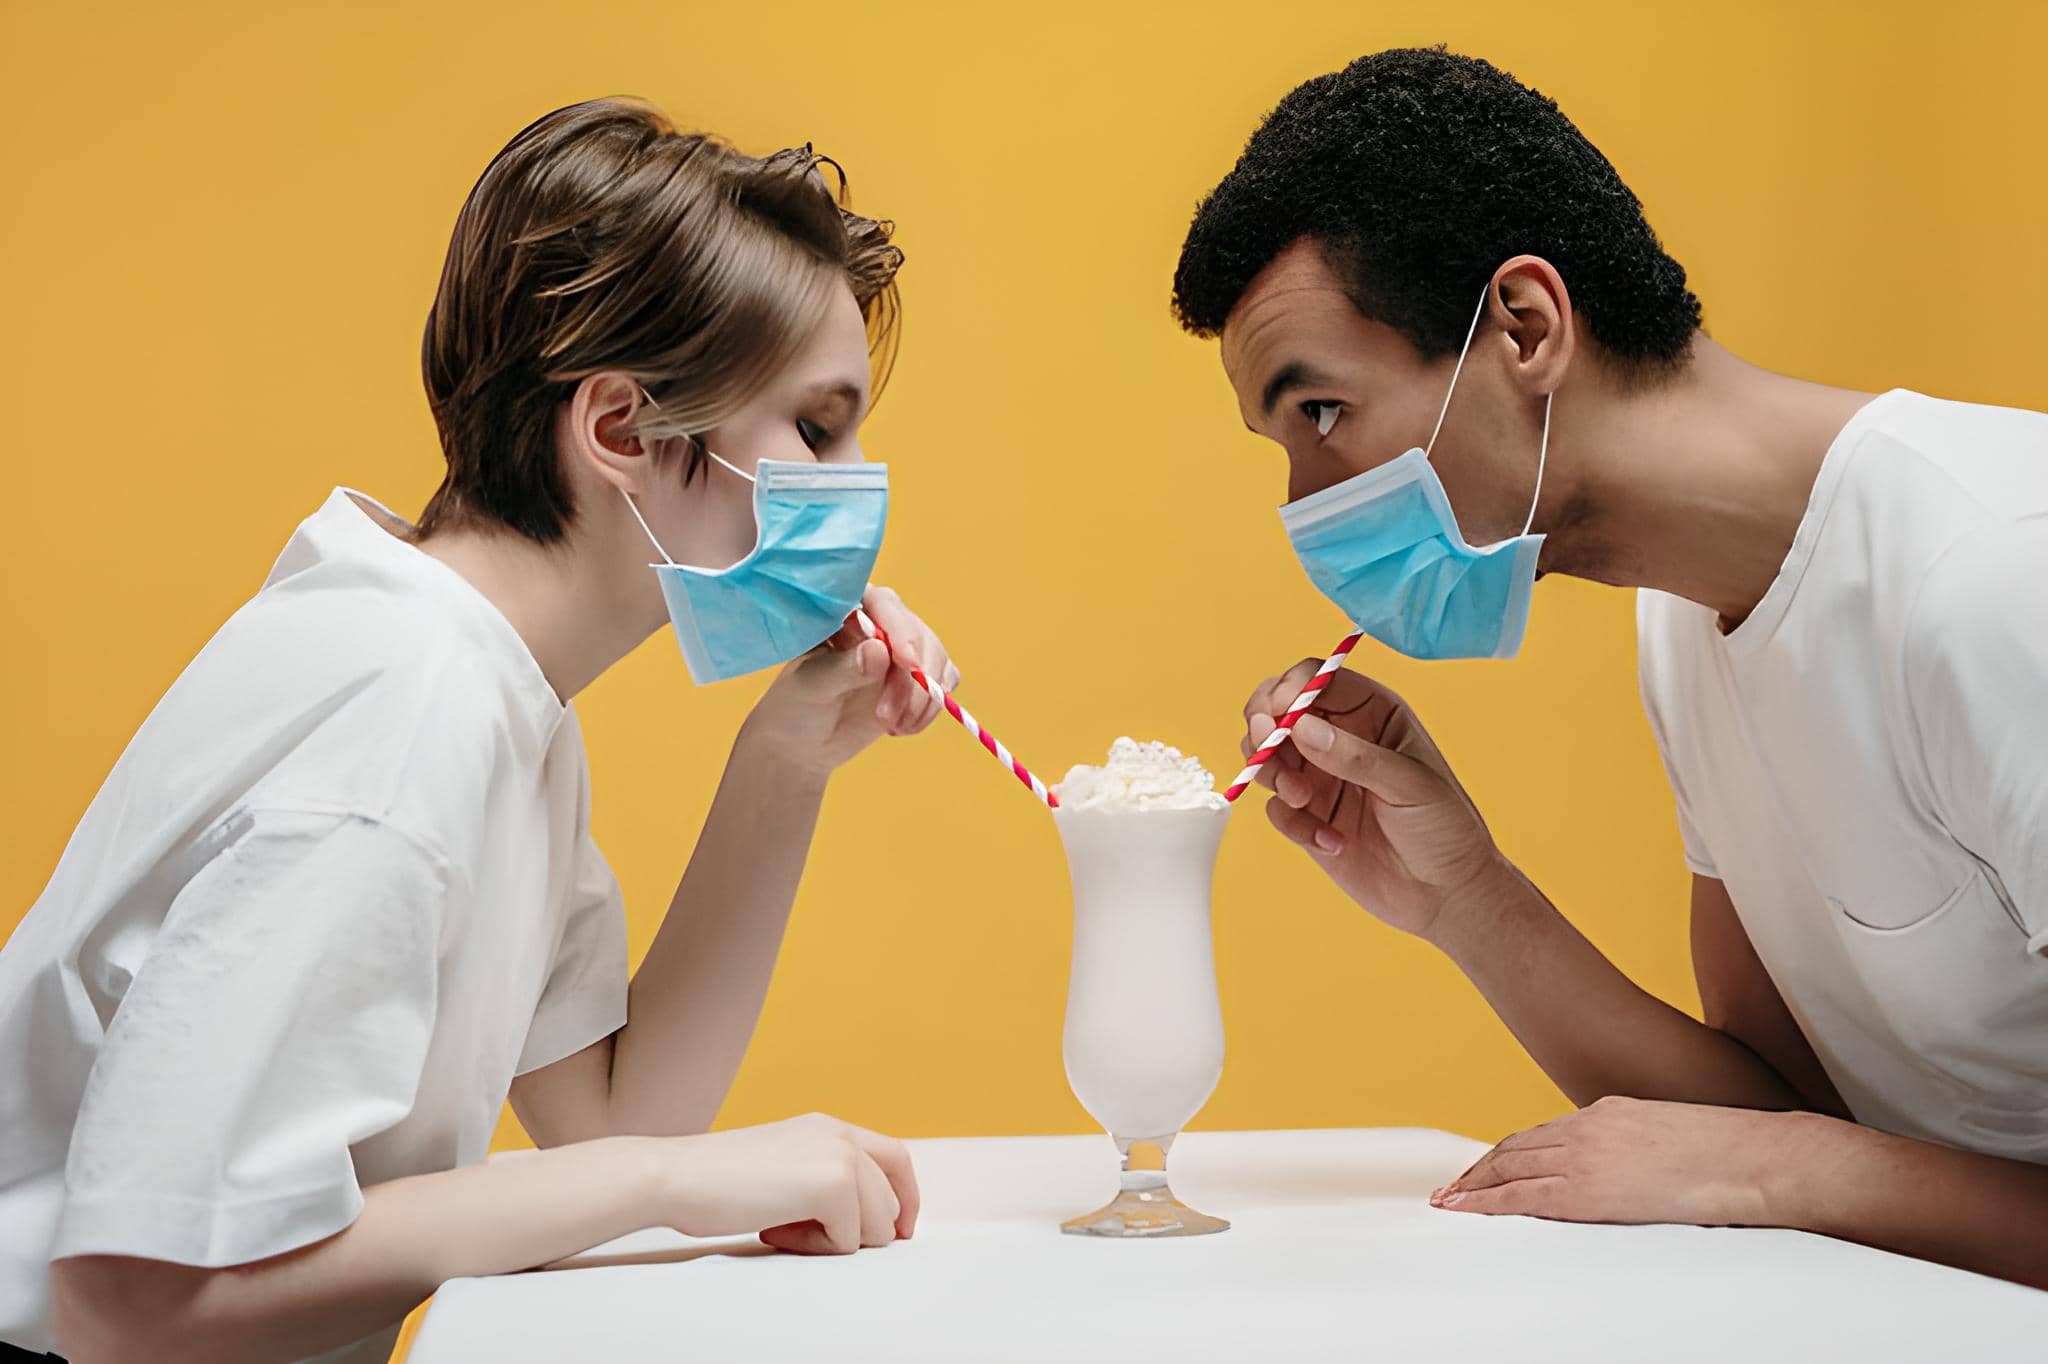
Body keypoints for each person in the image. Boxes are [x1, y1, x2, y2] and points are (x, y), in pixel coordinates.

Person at [0, 98, 955, 1362]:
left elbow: (617, 1118)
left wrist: (785, 761)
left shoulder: (494, 692)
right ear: (618, 428)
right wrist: (666, 1190)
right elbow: (133, 1304)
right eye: (816, 427)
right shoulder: (400, 725)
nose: (851, 479)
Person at [1173, 47, 2048, 1286]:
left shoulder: (1999, 578)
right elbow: (1768, 1104)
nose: (1305, 501)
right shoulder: (1685, 623)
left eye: (1318, 413)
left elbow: (1773, 1152)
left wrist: (1780, 1175)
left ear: (1523, 327)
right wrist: (1464, 895)